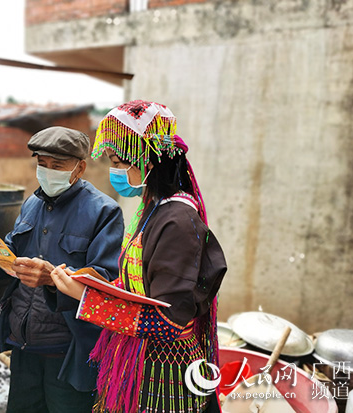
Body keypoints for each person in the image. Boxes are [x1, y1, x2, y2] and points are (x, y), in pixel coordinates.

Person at [50, 101, 227, 413]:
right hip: (139, 359)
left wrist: (87, 298)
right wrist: (96, 281)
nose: (114, 171)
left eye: (119, 162)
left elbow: (169, 322)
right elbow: (142, 285)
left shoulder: (177, 222)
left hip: (164, 370)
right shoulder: (154, 209)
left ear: (150, 161)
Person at [0, 126, 124, 413]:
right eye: (42, 164)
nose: (47, 172)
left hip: (69, 350)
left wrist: (54, 278)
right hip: (25, 345)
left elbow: (105, 281)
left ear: (79, 168)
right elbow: (11, 259)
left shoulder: (104, 212)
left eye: (57, 166)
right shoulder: (32, 204)